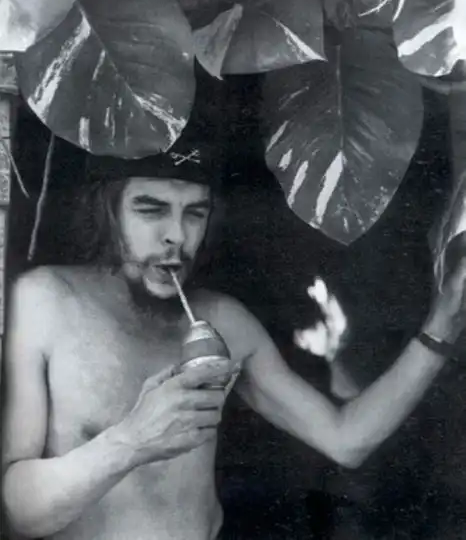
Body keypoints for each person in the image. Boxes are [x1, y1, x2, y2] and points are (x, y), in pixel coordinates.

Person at [2, 146, 466, 540]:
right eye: (151, 210)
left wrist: (443, 324)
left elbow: (347, 440)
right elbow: (15, 514)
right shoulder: (45, 301)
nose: (177, 236)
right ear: (107, 213)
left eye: (195, 213)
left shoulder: (223, 320)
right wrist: (131, 442)